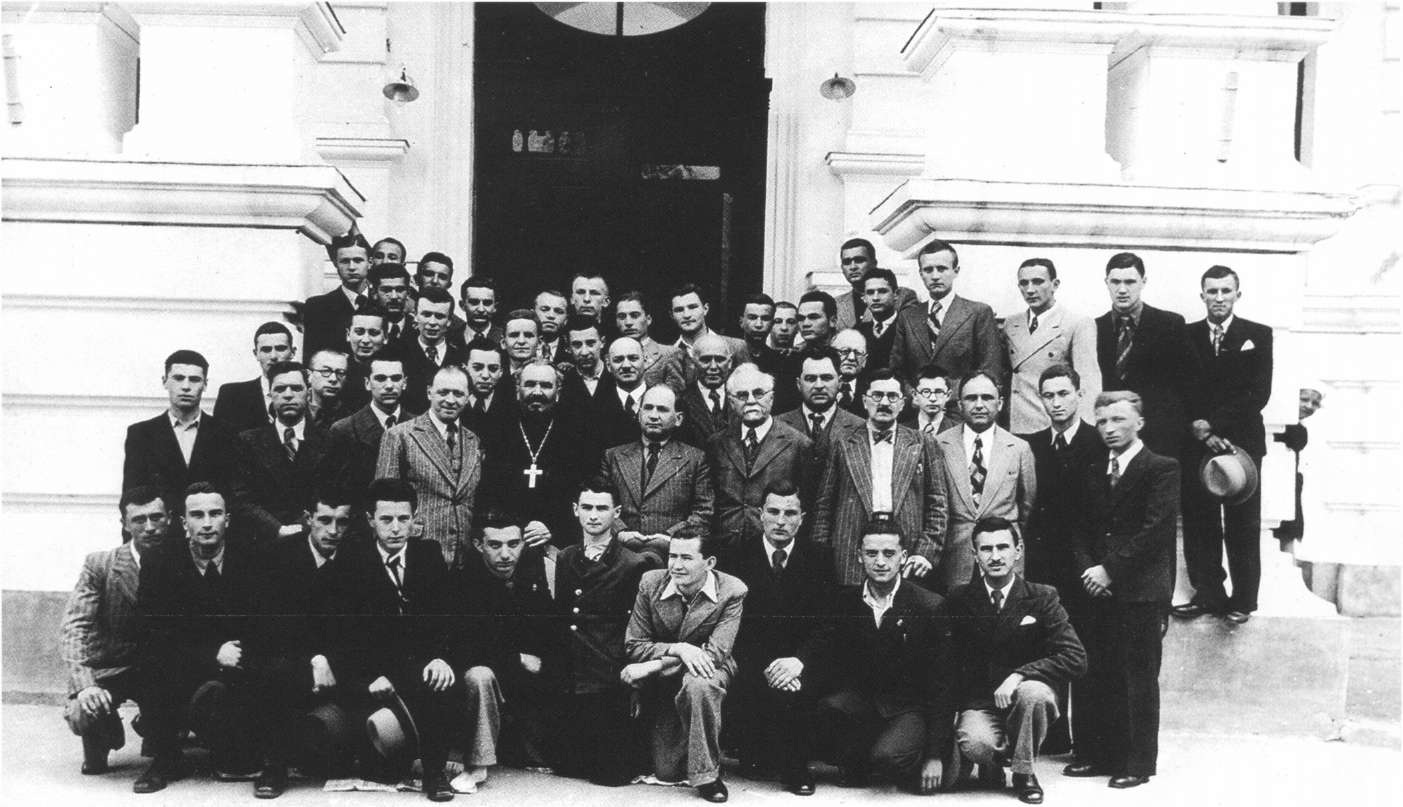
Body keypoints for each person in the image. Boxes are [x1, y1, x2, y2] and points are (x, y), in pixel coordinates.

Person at [316, 478, 459, 800]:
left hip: (417, 665)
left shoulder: (429, 555)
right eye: (386, 519)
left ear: (414, 518)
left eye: (403, 519)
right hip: (371, 671)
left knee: (440, 684)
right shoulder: (351, 561)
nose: (395, 528)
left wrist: (440, 656)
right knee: (376, 758)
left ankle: (434, 773)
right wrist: (370, 676)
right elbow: (342, 633)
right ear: (370, 520)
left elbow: (446, 618)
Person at [1063, 391, 1178, 790]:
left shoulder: (1161, 468)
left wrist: (1108, 570)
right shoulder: (1093, 470)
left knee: (1138, 677)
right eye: (1102, 421)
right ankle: (1095, 753)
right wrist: (1088, 571)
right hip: (1096, 588)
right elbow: (1079, 528)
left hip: (1139, 590)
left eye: (1118, 420)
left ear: (1139, 423)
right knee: (1095, 671)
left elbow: (1155, 531)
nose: (1109, 428)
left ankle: (1137, 762)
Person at [804, 516, 954, 794]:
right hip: (866, 703)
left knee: (889, 758)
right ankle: (862, 757)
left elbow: (942, 685)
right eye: (871, 553)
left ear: (903, 557)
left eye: (889, 553)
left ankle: (930, 753)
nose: (880, 562)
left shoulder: (929, 606)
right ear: (859, 556)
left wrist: (935, 755)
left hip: (909, 708)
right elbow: (823, 648)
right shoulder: (845, 602)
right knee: (829, 709)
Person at [945, 518, 1087, 804]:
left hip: (1024, 698)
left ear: (1018, 551)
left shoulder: (1042, 596)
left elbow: (1075, 657)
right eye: (986, 549)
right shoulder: (959, 598)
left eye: (1003, 547)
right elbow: (948, 661)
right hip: (981, 701)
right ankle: (991, 761)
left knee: (1035, 694)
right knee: (974, 743)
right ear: (974, 554)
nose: (995, 556)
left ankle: (1024, 773)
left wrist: (1020, 674)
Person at [134, 483, 258, 792]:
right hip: (187, 661)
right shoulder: (160, 562)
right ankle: (165, 756)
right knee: (152, 663)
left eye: (215, 514)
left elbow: (263, 623)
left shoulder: (252, 557)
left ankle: (242, 751)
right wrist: (211, 653)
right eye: (197, 515)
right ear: (183, 522)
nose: (207, 523)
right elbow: (153, 631)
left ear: (227, 519)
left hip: (239, 660)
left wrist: (235, 652)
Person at [717, 482, 835, 795]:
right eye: (773, 511)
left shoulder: (820, 558)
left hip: (801, 661)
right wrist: (770, 667)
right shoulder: (738, 557)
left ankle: (797, 769)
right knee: (756, 750)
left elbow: (827, 624)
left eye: (790, 513)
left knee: (799, 692)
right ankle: (757, 751)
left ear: (802, 518)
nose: (781, 521)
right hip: (754, 660)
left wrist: (798, 662)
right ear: (760, 514)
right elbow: (733, 624)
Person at [1176, 265, 1274, 624]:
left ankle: (1244, 599)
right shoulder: (1186, 335)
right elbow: (1180, 388)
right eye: (1212, 291)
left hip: (1241, 443)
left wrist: (1216, 426)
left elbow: (1258, 392)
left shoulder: (1257, 335)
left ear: (1237, 294)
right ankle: (1208, 594)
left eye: (1226, 291)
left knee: (1242, 522)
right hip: (1197, 442)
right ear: (1202, 295)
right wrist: (1201, 431)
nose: (1219, 298)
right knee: (1199, 521)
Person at [623, 528, 748, 803]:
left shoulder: (732, 590)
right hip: (667, 675)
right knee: (667, 771)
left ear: (709, 562)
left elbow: (714, 654)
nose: (676, 565)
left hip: (711, 668)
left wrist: (654, 665)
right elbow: (634, 644)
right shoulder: (650, 583)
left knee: (699, 684)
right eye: (672, 556)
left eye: (687, 558)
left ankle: (707, 776)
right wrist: (680, 649)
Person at [248, 486, 356, 798]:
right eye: (325, 520)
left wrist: (329, 659)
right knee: (276, 670)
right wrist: (314, 658)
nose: (333, 531)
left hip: (340, 662)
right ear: (308, 518)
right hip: (293, 659)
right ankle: (274, 766)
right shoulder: (278, 556)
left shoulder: (358, 558)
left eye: (342, 522)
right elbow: (271, 627)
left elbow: (360, 629)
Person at [553, 478, 659, 786]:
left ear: (617, 513)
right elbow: (564, 618)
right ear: (575, 510)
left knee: (610, 775)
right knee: (568, 766)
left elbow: (638, 628)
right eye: (586, 507)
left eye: (602, 508)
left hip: (608, 676)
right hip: (573, 675)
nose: (593, 515)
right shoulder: (566, 557)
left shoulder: (633, 564)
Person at [61, 486, 170, 776]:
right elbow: (75, 626)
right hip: (111, 666)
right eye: (139, 520)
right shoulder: (101, 565)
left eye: (157, 517)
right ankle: (103, 732)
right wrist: (85, 684)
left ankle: (157, 731)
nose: (150, 527)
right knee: (84, 711)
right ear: (125, 524)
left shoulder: (183, 561)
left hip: (159, 669)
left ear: (169, 518)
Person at [443, 510, 555, 791]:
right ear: (478, 545)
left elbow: (553, 638)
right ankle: (477, 765)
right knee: (479, 675)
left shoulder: (532, 579)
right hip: (479, 691)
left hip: (525, 691)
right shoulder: (461, 584)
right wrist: (517, 659)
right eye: (495, 545)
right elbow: (462, 650)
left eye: (513, 544)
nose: (505, 554)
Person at [812, 369, 944, 587]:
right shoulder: (842, 443)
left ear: (902, 403)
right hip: (851, 551)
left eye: (892, 396)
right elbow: (824, 506)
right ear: (865, 401)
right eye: (877, 395)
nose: (884, 402)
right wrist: (821, 557)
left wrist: (925, 552)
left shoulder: (923, 443)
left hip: (908, 553)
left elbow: (937, 504)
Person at [479, 361, 599, 553]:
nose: (537, 392)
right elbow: (489, 493)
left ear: (558, 392)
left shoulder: (577, 434)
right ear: (517, 390)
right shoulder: (499, 432)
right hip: (506, 541)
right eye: (530, 384)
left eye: (545, 385)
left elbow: (583, 492)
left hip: (561, 541)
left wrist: (552, 526)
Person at [934, 372, 1037, 594]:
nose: (979, 405)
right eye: (971, 398)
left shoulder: (1019, 448)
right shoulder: (939, 445)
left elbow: (1027, 505)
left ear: (1000, 403)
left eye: (987, 397)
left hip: (1003, 555)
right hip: (955, 556)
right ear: (959, 405)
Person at [1094, 252, 1198, 459]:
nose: (1122, 289)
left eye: (1130, 282)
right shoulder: (1094, 328)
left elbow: (1190, 382)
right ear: (1106, 283)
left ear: (1143, 282)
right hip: (1109, 438)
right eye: (1115, 282)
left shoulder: (1170, 324)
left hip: (1159, 438)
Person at [375, 365, 483, 565]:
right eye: (443, 392)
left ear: (468, 397)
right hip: (418, 553)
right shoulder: (399, 436)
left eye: (458, 394)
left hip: (464, 556)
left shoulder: (473, 440)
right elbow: (384, 502)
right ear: (429, 392)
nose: (450, 400)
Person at [233, 361, 344, 545]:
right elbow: (242, 498)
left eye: (296, 388)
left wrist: (303, 527)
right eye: (280, 389)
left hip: (315, 541)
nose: (288, 395)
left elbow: (335, 495)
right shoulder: (248, 442)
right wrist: (277, 529)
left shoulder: (331, 441)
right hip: (265, 542)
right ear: (270, 395)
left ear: (308, 393)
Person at [600, 384, 715, 559]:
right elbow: (601, 503)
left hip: (671, 555)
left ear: (678, 419)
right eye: (648, 408)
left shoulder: (695, 459)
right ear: (639, 414)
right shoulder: (613, 456)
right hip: (619, 553)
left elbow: (704, 512)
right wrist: (621, 532)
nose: (654, 415)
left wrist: (670, 537)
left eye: (662, 409)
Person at [1017, 365, 1102, 599]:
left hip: (1087, 566)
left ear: (1079, 394)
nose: (1056, 403)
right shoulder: (1031, 446)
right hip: (1042, 564)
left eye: (1063, 394)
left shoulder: (1100, 443)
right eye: (1048, 396)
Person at [709, 364, 815, 549]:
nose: (751, 401)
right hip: (725, 545)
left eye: (758, 394)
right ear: (731, 402)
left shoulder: (798, 444)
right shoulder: (717, 443)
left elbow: (807, 503)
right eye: (742, 395)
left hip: (772, 546)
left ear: (771, 397)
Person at [122, 350, 239, 513]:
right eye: (178, 378)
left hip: (209, 527)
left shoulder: (227, 433)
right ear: (164, 382)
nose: (186, 387)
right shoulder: (141, 434)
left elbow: (235, 496)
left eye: (194, 380)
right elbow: (131, 496)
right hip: (163, 528)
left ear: (205, 385)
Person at [1001, 258, 1101, 434]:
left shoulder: (1076, 323)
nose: (1030, 290)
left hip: (1053, 426)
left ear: (1055, 284)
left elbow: (1088, 383)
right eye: (1024, 283)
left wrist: (1086, 434)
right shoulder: (1012, 323)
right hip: (1016, 424)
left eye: (1038, 282)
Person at [887, 238, 1001, 386]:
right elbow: (897, 371)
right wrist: (915, 395)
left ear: (956, 271)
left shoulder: (978, 313)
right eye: (928, 270)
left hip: (960, 399)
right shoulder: (908, 316)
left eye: (942, 269)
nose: (935, 276)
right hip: (917, 399)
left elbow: (990, 370)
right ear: (921, 273)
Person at [329, 354, 411, 491]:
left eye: (396, 378)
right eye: (380, 378)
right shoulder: (344, 430)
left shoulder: (420, 426)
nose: (389, 386)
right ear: (367, 383)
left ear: (405, 383)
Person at [775, 346, 866, 457]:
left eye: (826, 378)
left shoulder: (860, 427)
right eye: (811, 379)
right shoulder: (776, 426)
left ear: (840, 382)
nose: (819, 386)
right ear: (799, 384)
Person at [214, 322, 296, 435]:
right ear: (256, 353)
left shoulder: (307, 394)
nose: (273, 356)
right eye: (266, 350)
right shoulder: (231, 396)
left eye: (280, 348)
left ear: (293, 352)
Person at [399, 287, 467, 414]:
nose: (432, 322)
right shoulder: (400, 354)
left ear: (449, 321)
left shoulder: (461, 357)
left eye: (439, 316)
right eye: (426, 314)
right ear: (415, 316)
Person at [304, 233, 371, 356]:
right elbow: (313, 355)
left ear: (369, 262)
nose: (351, 267)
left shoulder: (381, 301)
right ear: (335, 263)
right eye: (345, 261)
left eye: (358, 260)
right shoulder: (318, 307)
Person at [833, 237, 919, 331]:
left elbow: (912, 333)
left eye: (859, 260)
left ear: (874, 263)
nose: (853, 267)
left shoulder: (902, 297)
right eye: (847, 262)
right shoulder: (835, 304)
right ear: (842, 267)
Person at [676, 333, 735, 448]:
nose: (713, 367)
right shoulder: (680, 401)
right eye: (706, 360)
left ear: (730, 362)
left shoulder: (743, 398)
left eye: (720, 359)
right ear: (693, 363)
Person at [614, 291, 683, 389]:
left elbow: (677, 393)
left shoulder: (670, 354)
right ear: (616, 322)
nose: (628, 322)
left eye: (635, 315)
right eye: (622, 317)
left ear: (648, 319)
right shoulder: (611, 357)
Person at [669, 283, 748, 362]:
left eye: (692, 307)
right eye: (679, 310)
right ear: (672, 315)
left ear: (705, 309)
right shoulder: (668, 355)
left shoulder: (736, 347)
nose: (687, 315)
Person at [855, 267, 907, 370]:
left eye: (882, 291)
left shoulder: (909, 330)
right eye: (870, 292)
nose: (875, 298)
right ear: (864, 298)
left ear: (896, 294)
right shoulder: (857, 332)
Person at [342, 304, 392, 412]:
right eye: (359, 332)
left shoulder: (395, 373)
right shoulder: (338, 371)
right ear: (348, 335)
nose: (365, 340)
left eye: (373, 333)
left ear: (385, 337)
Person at [460, 338, 514, 436]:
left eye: (493, 369)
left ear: (501, 372)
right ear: (465, 368)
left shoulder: (511, 404)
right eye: (477, 368)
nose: (485, 375)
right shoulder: (455, 402)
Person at [601, 336, 648, 447]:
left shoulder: (664, 400)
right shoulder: (597, 405)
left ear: (645, 361)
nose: (626, 366)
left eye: (633, 358)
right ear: (608, 365)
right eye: (618, 360)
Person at [899, 364, 962, 436]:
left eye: (939, 392)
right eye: (926, 392)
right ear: (915, 395)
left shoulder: (959, 432)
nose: (933, 398)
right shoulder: (901, 431)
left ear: (948, 395)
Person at [369, 262, 415, 343]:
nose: (394, 297)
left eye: (400, 290)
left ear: (408, 293)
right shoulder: (365, 327)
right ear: (374, 294)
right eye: (387, 290)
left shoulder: (417, 329)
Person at [306, 349, 353, 427]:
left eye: (340, 373)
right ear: (309, 375)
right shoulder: (296, 410)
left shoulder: (351, 419)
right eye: (325, 371)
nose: (333, 379)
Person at [832, 328, 872, 416]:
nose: (851, 358)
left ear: (864, 360)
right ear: (831, 354)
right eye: (845, 351)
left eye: (858, 353)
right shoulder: (819, 385)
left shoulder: (872, 391)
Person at [457, 276, 503, 347]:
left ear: (495, 307)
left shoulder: (504, 338)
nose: (481, 309)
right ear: (462, 305)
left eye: (487, 303)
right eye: (474, 302)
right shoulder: (450, 338)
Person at [534, 289, 572, 365]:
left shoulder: (572, 351)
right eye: (544, 309)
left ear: (566, 320)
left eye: (558, 311)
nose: (551, 316)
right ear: (533, 313)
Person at [503, 308, 543, 379]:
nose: (521, 341)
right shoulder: (495, 374)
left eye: (528, 336)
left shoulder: (549, 374)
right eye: (514, 335)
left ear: (539, 343)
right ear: (503, 342)